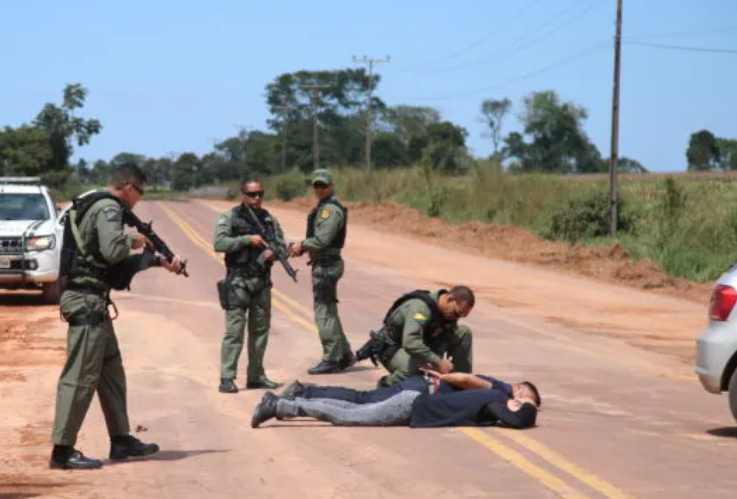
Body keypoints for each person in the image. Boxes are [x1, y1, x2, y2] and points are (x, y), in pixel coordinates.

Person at [51, 163, 186, 470]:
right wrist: (135, 241)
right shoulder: (108, 209)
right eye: (139, 192)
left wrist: (154, 260)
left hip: (95, 301)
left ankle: (121, 440)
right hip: (86, 302)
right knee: (79, 377)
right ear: (128, 187)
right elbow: (113, 251)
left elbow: (107, 260)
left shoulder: (99, 204)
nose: (138, 199)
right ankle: (62, 450)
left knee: (111, 373)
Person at [250, 371, 540, 430]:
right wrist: (525, 407)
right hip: (411, 405)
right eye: (525, 398)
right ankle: (279, 406)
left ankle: (284, 403)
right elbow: (515, 420)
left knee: (352, 407)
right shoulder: (496, 397)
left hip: (414, 400)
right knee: (347, 415)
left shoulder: (493, 397)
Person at [213, 179, 286, 393]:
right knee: (234, 332)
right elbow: (219, 243)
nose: (257, 198)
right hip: (238, 282)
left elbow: (280, 243)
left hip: (261, 283)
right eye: (252, 194)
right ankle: (227, 378)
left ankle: (256, 376)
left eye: (260, 194)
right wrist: (246, 240)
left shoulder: (269, 219)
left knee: (260, 331)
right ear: (243, 195)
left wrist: (274, 252)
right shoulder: (230, 217)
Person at [288, 169, 354, 375]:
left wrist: (303, 245)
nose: (319, 189)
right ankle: (344, 354)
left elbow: (323, 239)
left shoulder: (330, 211)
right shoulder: (324, 207)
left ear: (331, 186)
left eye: (323, 185)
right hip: (325, 263)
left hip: (327, 265)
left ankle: (331, 359)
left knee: (323, 313)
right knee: (329, 311)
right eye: (316, 185)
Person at [362, 287, 476, 386]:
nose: (457, 318)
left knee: (464, 332)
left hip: (423, 343)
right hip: (394, 348)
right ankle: (386, 385)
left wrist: (440, 364)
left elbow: (444, 334)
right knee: (416, 370)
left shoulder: (446, 313)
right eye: (457, 313)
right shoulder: (420, 310)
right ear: (449, 299)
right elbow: (411, 342)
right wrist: (438, 362)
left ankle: (461, 383)